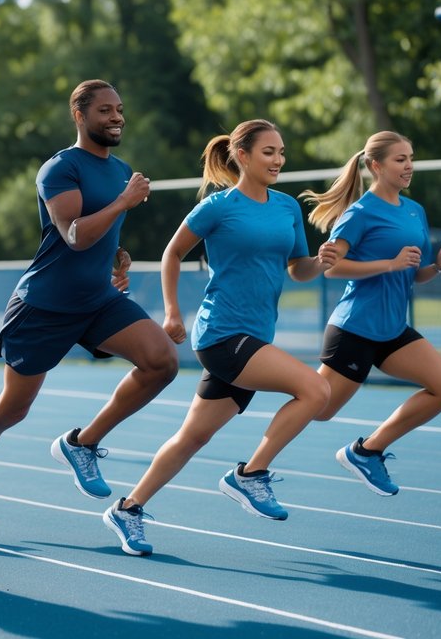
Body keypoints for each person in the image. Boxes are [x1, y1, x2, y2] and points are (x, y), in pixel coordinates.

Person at [0, 79, 178, 513]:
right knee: (10, 410)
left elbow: (99, 233)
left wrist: (116, 256)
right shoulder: (59, 169)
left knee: (162, 362)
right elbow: (74, 235)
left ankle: (82, 443)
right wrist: (123, 203)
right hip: (45, 305)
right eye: (105, 110)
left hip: (97, 300)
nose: (116, 117)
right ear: (79, 115)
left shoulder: (121, 169)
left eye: (119, 109)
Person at [103, 119, 339, 556]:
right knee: (316, 389)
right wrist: (172, 312)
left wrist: (321, 262)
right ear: (242, 156)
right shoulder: (218, 206)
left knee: (192, 437)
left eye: (281, 152)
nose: (278, 160)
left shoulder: (287, 207)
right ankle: (251, 475)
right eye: (268, 152)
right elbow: (173, 252)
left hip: (255, 335)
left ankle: (128, 508)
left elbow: (298, 269)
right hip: (222, 333)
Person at [300, 131, 441, 496]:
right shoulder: (359, 213)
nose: (409, 166)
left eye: (411, 158)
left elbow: (413, 274)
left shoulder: (415, 210)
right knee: (319, 409)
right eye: (400, 159)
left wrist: (438, 265)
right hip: (355, 328)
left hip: (392, 329)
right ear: (376, 165)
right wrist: (389, 263)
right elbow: (332, 268)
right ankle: (264, 381)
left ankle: (367, 451)